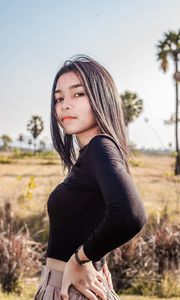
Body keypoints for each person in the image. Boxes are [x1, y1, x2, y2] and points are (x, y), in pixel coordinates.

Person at [34, 54, 148, 300]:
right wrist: (94, 257)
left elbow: (130, 215)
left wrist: (79, 258)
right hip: (70, 285)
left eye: (78, 94)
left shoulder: (100, 146)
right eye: (59, 98)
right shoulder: (91, 155)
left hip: (70, 289)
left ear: (101, 97)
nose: (65, 104)